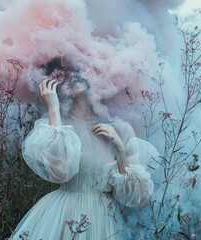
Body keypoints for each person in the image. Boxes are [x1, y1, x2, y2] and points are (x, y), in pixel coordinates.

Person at [10, 57, 156, 239]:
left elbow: (137, 197)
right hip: (61, 215)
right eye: (65, 73)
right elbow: (60, 173)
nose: (72, 76)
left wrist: (119, 148)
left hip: (102, 220)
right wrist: (53, 109)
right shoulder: (57, 127)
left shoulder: (120, 128)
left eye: (78, 69)